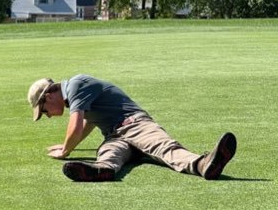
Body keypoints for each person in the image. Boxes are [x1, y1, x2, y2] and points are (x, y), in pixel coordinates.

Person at [27, 74, 237, 182]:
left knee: (165, 148)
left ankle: (203, 164)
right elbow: (87, 123)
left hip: (135, 124)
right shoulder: (74, 96)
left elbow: (74, 126)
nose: (47, 116)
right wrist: (70, 146)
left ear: (48, 96)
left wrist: (65, 150)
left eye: (44, 111)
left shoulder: (75, 85)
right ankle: (102, 171)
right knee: (108, 154)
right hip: (115, 135)